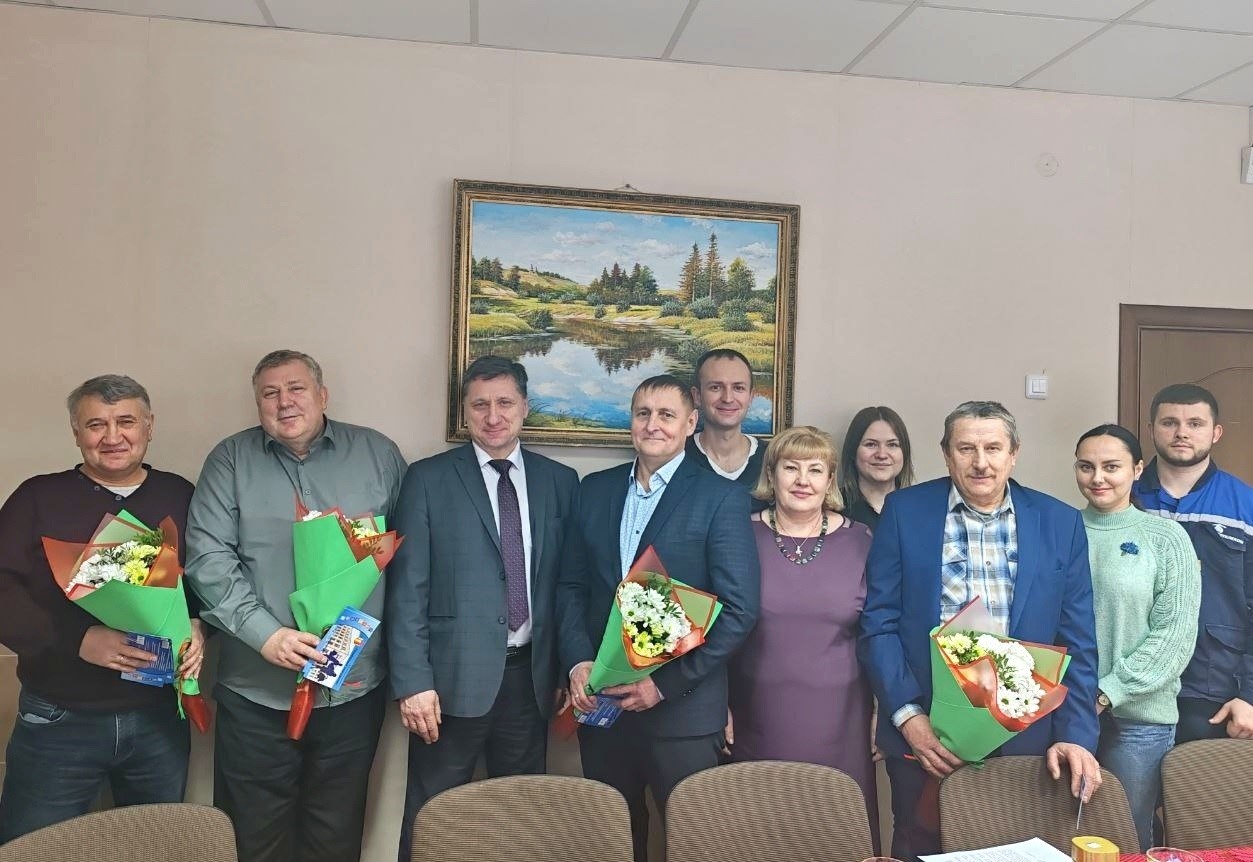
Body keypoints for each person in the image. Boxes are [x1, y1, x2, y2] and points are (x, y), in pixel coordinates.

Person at [185, 349, 406, 862]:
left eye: (296, 389)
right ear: (257, 403)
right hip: (255, 691)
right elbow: (207, 558)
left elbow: (408, 558)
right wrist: (266, 634)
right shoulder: (230, 460)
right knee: (252, 839)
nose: (284, 402)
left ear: (322, 395)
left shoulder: (378, 454)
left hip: (353, 689)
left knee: (335, 837)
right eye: (270, 393)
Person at [859, 400, 1101, 862]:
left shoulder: (1059, 522)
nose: (980, 462)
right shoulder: (905, 511)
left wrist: (1075, 733)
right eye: (966, 448)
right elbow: (879, 622)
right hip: (927, 734)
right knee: (920, 846)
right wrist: (908, 716)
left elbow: (1077, 641)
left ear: (1014, 453)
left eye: (993, 448)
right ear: (946, 453)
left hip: (1030, 739)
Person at [559, 374, 760, 862]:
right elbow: (570, 587)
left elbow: (739, 611)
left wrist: (663, 685)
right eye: (642, 413)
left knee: (695, 846)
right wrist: (578, 662)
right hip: (603, 708)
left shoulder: (720, 497)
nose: (653, 425)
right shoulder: (594, 490)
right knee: (612, 844)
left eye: (667, 415)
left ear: (691, 424)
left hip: (682, 713)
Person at [387, 356, 578, 861]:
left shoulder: (560, 481)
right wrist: (413, 682)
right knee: (432, 816)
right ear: (465, 411)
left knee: (519, 819)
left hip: (530, 681)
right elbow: (407, 588)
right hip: (447, 684)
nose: (493, 416)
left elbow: (566, 585)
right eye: (480, 405)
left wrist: (563, 667)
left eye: (505, 403)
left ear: (525, 407)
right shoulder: (427, 479)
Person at [0, 375, 203, 842]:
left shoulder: (180, 494)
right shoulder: (37, 497)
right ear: (76, 433)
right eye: (96, 425)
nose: (112, 436)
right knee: (32, 848)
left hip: (158, 717)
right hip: (60, 717)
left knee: (154, 848)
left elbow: (206, 576)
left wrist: (198, 624)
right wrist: (76, 640)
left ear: (149, 426)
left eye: (126, 421)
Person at [728, 425, 878, 845]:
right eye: (790, 468)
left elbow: (880, 632)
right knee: (761, 835)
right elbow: (716, 628)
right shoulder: (739, 536)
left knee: (835, 835)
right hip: (755, 715)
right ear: (771, 475)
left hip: (843, 720)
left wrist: (883, 709)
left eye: (815, 470)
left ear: (830, 480)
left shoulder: (862, 540)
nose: (802, 480)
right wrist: (716, 705)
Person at [1074, 423, 1200, 849]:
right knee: (1063, 833)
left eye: (1111, 466)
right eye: (1086, 466)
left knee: (1123, 838)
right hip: (1066, 713)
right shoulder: (1061, 529)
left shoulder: (1166, 539)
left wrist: (1106, 692)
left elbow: (1174, 638)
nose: (1098, 478)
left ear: (1137, 469)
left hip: (1139, 722)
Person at [1132, 383, 1253, 743]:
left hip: (1216, 689)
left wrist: (1249, 695)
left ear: (1216, 433)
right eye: (1169, 422)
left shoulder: (1244, 505)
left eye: (1195, 424)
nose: (1182, 433)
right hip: (1131, 682)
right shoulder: (1123, 496)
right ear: (1151, 430)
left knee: (1199, 782)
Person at [686, 349, 765, 493]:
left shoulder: (771, 458)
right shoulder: (677, 456)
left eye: (738, 388)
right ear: (697, 396)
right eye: (715, 387)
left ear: (751, 397)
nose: (728, 398)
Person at [838, 405, 916, 530]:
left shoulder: (920, 508)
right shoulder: (833, 510)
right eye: (871, 444)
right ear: (853, 451)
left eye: (892, 445)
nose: (882, 455)